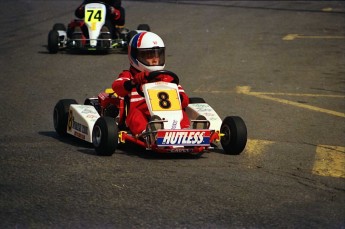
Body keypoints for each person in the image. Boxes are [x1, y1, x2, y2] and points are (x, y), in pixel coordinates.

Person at [112, 32, 190, 136]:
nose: (154, 60)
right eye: (149, 56)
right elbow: (117, 87)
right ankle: (148, 133)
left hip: (169, 112)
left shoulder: (167, 77)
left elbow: (185, 101)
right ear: (135, 56)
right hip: (141, 112)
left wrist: (178, 97)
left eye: (157, 55)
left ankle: (186, 132)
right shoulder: (129, 75)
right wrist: (134, 82)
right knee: (135, 115)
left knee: (181, 113)